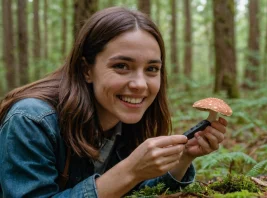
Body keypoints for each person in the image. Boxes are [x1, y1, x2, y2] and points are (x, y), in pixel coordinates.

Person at [0, 7, 227, 197]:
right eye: (121, 66)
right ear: (86, 70)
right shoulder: (31, 120)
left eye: (151, 69)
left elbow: (136, 193)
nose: (140, 84)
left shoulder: (125, 120)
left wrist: (184, 157)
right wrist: (130, 171)